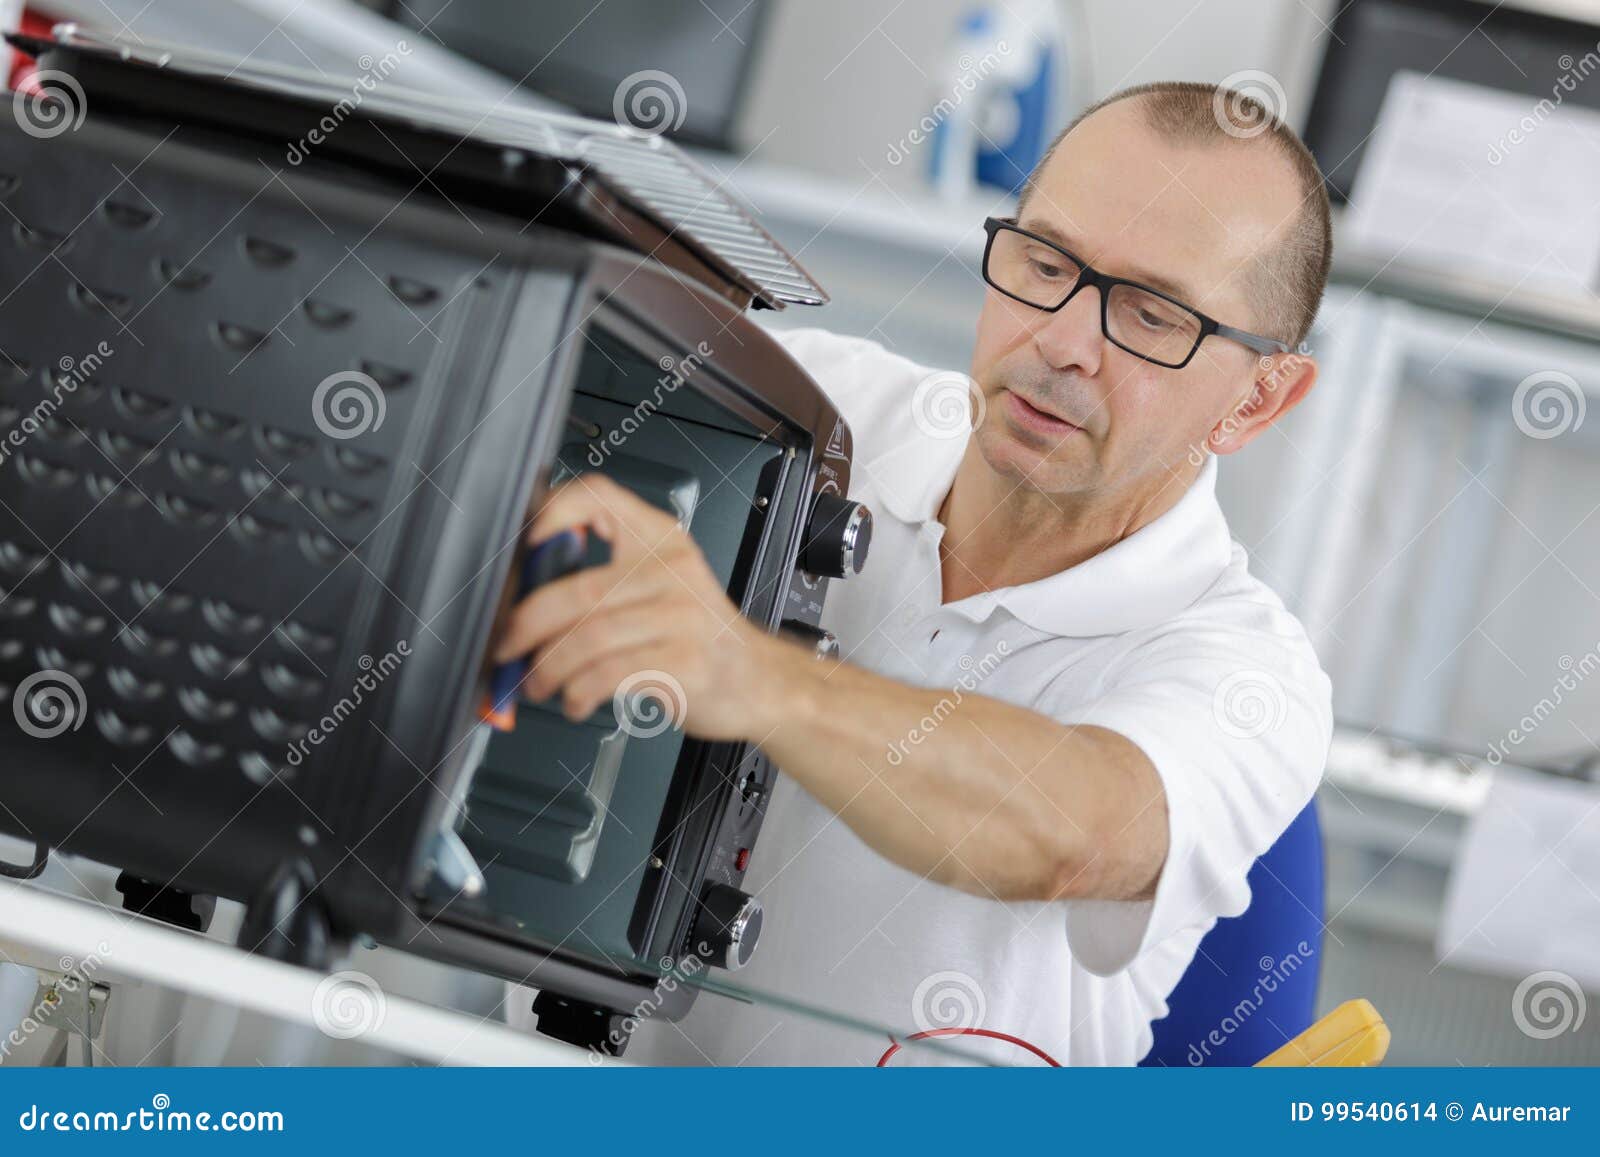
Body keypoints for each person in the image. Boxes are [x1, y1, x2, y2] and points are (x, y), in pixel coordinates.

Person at [497, 81, 1334, 1065]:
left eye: (1151, 317)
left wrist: (747, 672)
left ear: (1257, 400)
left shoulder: (1252, 673)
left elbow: (1075, 830)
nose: (1063, 341)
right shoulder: (794, 411)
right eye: (1044, 260)